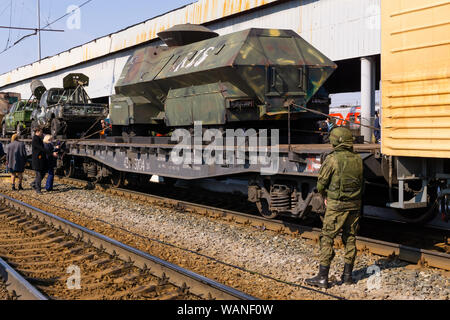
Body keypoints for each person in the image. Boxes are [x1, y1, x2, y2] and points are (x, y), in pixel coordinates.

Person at [306, 127, 364, 289]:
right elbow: (362, 184)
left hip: (336, 205)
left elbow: (321, 184)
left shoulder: (332, 159)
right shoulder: (358, 159)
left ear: (336, 141)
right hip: (354, 205)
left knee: (327, 238)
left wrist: (325, 196)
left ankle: (323, 277)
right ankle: (348, 276)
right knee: (350, 237)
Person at [32, 127, 57, 194]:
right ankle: (38, 189)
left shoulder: (38, 138)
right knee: (39, 175)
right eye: (41, 131)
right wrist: (51, 153)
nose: (42, 133)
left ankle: (34, 184)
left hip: (41, 160)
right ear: (37, 131)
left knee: (42, 173)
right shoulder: (35, 139)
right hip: (38, 160)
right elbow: (41, 148)